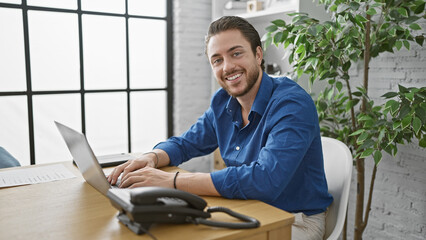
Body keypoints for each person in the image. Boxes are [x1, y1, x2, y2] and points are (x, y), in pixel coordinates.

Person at [108, 16, 333, 240]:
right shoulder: (223, 101)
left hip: (295, 220)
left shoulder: (291, 103)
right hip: (247, 208)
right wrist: (152, 157)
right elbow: (186, 143)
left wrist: (172, 181)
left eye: (236, 53)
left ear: (258, 54)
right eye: (217, 60)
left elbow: (266, 180)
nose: (227, 67)